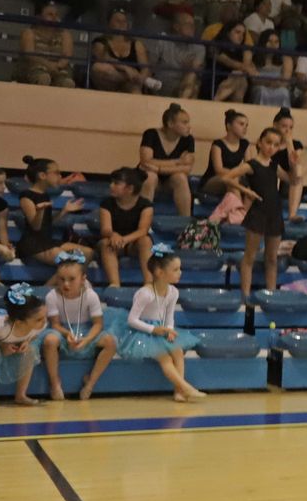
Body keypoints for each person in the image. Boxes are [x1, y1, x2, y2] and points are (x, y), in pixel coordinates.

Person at [117, 245, 204, 402]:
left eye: (180, 268)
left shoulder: (173, 292)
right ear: (159, 272)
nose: (180, 272)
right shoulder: (145, 293)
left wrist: (169, 330)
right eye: (176, 269)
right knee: (165, 357)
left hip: (161, 329)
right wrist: (153, 329)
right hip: (142, 332)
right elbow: (132, 320)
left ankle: (179, 392)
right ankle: (186, 387)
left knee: (177, 351)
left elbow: (169, 315)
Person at [40, 251, 121, 401]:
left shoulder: (90, 296)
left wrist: (87, 339)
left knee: (110, 342)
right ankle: (55, 382)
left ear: (83, 279)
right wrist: (66, 334)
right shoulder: (52, 296)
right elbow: (55, 324)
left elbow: (98, 324)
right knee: (50, 340)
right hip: (64, 330)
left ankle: (90, 382)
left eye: (71, 279)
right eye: (61, 279)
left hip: (87, 330)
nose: (65, 284)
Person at [234, 126, 290, 298]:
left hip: (274, 213)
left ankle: (271, 295)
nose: (271, 147)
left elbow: (292, 180)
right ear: (259, 142)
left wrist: (294, 162)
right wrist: (247, 191)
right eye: (268, 142)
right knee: (249, 256)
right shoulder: (251, 165)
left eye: (275, 144)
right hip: (258, 213)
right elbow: (226, 177)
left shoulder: (274, 166)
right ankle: (245, 295)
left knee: (272, 259)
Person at [0, 283, 47, 408]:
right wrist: (2, 344)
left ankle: (21, 395)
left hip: (5, 335)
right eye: (39, 319)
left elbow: (33, 334)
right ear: (20, 322)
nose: (45, 321)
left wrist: (26, 342)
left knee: (30, 350)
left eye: (44, 317)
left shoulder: (40, 324)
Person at [14, 157, 93, 266]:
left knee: (88, 253)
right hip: (32, 244)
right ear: (42, 176)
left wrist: (64, 211)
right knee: (66, 261)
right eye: (56, 173)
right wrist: (40, 211)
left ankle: (75, 282)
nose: (60, 176)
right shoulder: (26, 196)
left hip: (47, 241)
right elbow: (36, 226)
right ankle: (65, 282)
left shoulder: (45, 195)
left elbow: (48, 223)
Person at [97, 167, 154, 288]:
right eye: (111, 182)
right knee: (106, 244)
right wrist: (113, 235)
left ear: (130, 188)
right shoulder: (106, 204)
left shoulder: (146, 205)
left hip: (133, 243)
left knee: (146, 240)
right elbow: (105, 229)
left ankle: (149, 282)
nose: (111, 185)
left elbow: (143, 230)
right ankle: (115, 283)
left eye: (116, 183)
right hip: (114, 242)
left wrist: (124, 240)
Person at [139, 103, 195, 216]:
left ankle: (186, 223)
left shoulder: (188, 139)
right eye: (184, 122)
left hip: (169, 179)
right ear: (170, 123)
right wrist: (176, 162)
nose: (189, 126)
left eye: (188, 122)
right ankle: (143, 220)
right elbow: (146, 161)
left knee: (181, 177)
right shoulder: (151, 134)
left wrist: (159, 168)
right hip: (150, 178)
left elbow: (187, 168)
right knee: (150, 176)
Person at [15, 1, 76, 88]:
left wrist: (57, 66)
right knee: (43, 78)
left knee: (68, 83)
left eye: (56, 14)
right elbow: (30, 55)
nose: (54, 18)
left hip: (59, 69)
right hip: (35, 67)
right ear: (39, 17)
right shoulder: (29, 33)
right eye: (50, 14)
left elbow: (67, 55)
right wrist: (48, 65)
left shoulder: (65, 34)